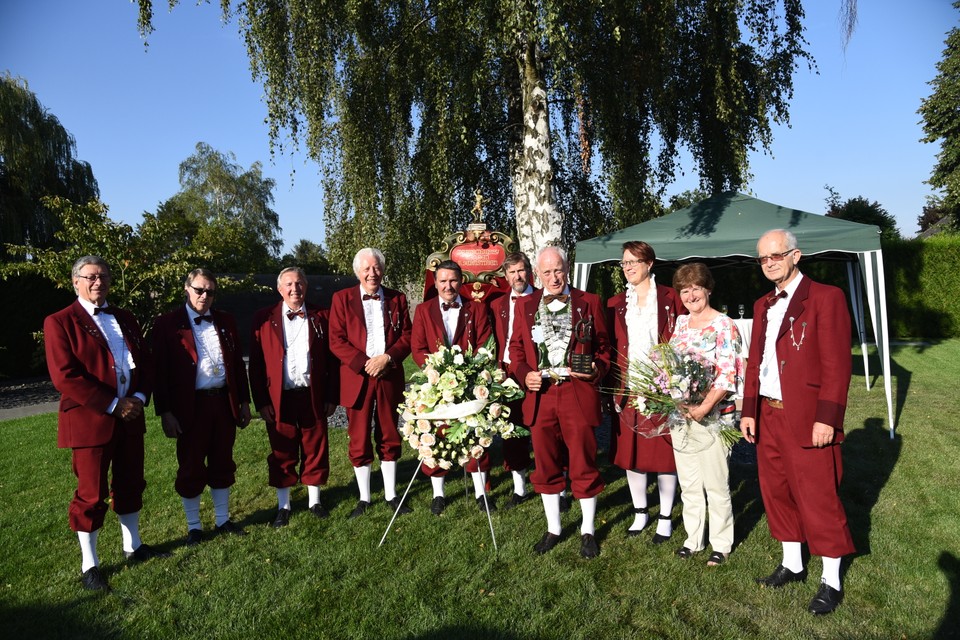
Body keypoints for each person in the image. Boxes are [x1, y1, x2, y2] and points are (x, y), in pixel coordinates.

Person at [740, 229, 855, 616]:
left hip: (807, 416)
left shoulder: (826, 297)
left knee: (818, 495)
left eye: (776, 255)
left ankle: (831, 579)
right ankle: (792, 562)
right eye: (762, 258)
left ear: (796, 255)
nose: (769, 262)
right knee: (777, 490)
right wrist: (749, 410)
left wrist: (827, 418)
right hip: (767, 414)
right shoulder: (761, 305)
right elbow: (755, 363)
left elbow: (838, 365)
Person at [44, 256, 169, 592]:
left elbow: (146, 363)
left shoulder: (125, 318)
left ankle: (133, 546)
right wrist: (114, 405)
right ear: (76, 281)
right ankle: (90, 564)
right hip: (91, 420)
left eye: (104, 276)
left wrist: (140, 399)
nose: (98, 282)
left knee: (130, 482)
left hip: (131, 416)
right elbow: (65, 376)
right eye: (91, 277)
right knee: (91, 493)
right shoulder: (60, 321)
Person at [509, 246, 610, 558]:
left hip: (575, 392)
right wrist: (524, 374)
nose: (553, 277)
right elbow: (516, 350)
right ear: (536, 274)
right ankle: (554, 528)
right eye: (547, 272)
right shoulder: (525, 305)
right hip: (541, 395)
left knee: (582, 459)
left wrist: (597, 368)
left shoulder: (588, 302)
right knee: (546, 460)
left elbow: (605, 348)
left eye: (558, 270)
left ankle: (588, 530)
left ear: (568, 269)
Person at [152, 268, 251, 543]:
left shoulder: (226, 321)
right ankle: (194, 526)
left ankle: (223, 520)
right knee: (191, 465)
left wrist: (244, 401)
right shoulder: (167, 324)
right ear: (187, 289)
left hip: (222, 402)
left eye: (210, 291)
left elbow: (236, 367)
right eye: (199, 290)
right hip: (189, 407)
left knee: (222, 461)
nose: (204, 296)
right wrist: (165, 412)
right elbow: (159, 373)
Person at [248, 267, 339, 527]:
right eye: (288, 284)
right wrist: (262, 401)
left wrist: (331, 395)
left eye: (299, 283)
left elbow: (333, 361)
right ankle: (284, 505)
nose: (294, 288)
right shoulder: (263, 318)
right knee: (282, 449)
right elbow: (256, 364)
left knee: (315, 446)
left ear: (306, 287)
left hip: (313, 392)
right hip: (279, 395)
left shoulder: (322, 315)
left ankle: (315, 501)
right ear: (280, 289)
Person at [607, 241, 684, 542]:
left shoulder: (670, 298)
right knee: (632, 454)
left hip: (661, 386)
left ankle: (665, 514)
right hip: (628, 387)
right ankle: (640, 512)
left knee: (664, 454)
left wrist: (673, 378)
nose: (628, 267)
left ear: (650, 263)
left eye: (633, 261)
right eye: (624, 263)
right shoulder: (615, 303)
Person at [329, 248, 414, 518]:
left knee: (389, 433)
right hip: (358, 377)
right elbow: (336, 339)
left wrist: (387, 358)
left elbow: (407, 335)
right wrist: (364, 363)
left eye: (376, 268)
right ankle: (364, 498)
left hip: (388, 375)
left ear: (383, 270)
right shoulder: (341, 299)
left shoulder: (397, 298)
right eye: (366, 268)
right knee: (359, 436)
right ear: (357, 272)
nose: (372, 273)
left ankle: (391, 495)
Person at [669, 263, 741, 567]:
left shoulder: (725, 325)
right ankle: (693, 538)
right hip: (681, 416)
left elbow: (728, 374)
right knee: (689, 482)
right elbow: (670, 367)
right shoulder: (681, 324)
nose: (691, 295)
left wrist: (703, 407)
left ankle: (721, 543)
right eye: (685, 290)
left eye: (696, 287)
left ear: (708, 289)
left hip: (713, 416)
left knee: (716, 482)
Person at [411, 259, 493, 515]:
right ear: (435, 283)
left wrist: (470, 371)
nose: (448, 286)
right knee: (436, 435)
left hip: (470, 380)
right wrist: (437, 370)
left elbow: (483, 342)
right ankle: (438, 493)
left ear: (461, 282)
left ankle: (481, 492)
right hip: (436, 383)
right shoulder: (423, 311)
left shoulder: (476, 309)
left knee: (476, 432)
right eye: (443, 281)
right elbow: (418, 348)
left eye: (453, 280)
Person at [489, 252, 535, 509]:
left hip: (534, 371)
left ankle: (557, 486)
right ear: (505, 276)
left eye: (521, 270)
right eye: (512, 272)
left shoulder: (542, 299)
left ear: (528, 271)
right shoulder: (498, 305)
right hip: (507, 372)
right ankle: (520, 488)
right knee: (511, 430)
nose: (517, 276)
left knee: (544, 430)